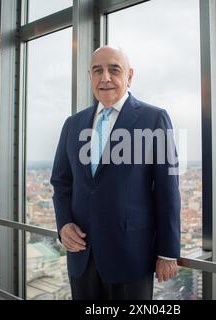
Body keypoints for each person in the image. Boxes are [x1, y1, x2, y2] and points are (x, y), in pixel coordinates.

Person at [50, 46, 181, 300]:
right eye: (97, 71)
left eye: (114, 69)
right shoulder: (73, 124)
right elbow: (61, 182)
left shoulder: (154, 119)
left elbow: (167, 189)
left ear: (129, 76)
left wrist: (167, 251)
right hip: (81, 255)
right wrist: (63, 223)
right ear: (90, 77)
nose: (105, 77)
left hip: (131, 257)